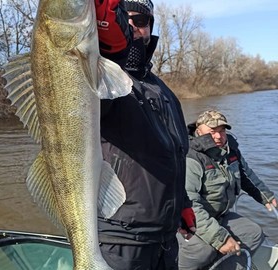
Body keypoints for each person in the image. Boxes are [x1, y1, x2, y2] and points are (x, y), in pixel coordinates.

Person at [94, 0, 196, 269]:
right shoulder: (103, 77)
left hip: (164, 239)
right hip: (120, 241)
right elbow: (90, 98)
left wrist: (182, 205)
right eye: (122, 18)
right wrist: (111, 50)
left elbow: (175, 154)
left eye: (141, 21)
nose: (131, 26)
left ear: (150, 27)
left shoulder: (161, 88)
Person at [178, 110, 277, 270]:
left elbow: (246, 176)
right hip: (189, 219)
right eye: (212, 131)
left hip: (219, 215)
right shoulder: (192, 158)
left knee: (253, 233)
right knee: (203, 250)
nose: (218, 136)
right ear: (199, 131)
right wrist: (220, 239)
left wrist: (265, 196)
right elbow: (189, 204)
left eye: (222, 131)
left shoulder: (231, 151)